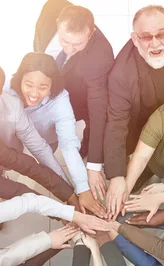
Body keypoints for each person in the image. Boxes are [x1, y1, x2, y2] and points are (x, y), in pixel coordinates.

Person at [104, 5, 164, 219]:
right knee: (135, 171)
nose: (155, 43)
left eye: (161, 34)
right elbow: (116, 125)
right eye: (146, 37)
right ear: (134, 39)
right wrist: (116, 177)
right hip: (141, 124)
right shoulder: (121, 75)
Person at [33, 0, 114, 200]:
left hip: (80, 95)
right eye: (64, 42)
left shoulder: (100, 56)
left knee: (86, 119)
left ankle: (85, 148)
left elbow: (98, 112)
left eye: (77, 45)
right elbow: (38, 41)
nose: (69, 50)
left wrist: (94, 165)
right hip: (55, 75)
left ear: (91, 32)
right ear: (58, 24)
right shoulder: (52, 7)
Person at [9, 52, 106, 217]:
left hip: (46, 140)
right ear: (20, 80)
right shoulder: (6, 91)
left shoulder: (60, 99)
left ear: (52, 85)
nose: (34, 93)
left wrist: (81, 189)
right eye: (29, 84)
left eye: (43, 87)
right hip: (11, 138)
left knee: (46, 160)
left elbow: (67, 145)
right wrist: (71, 196)